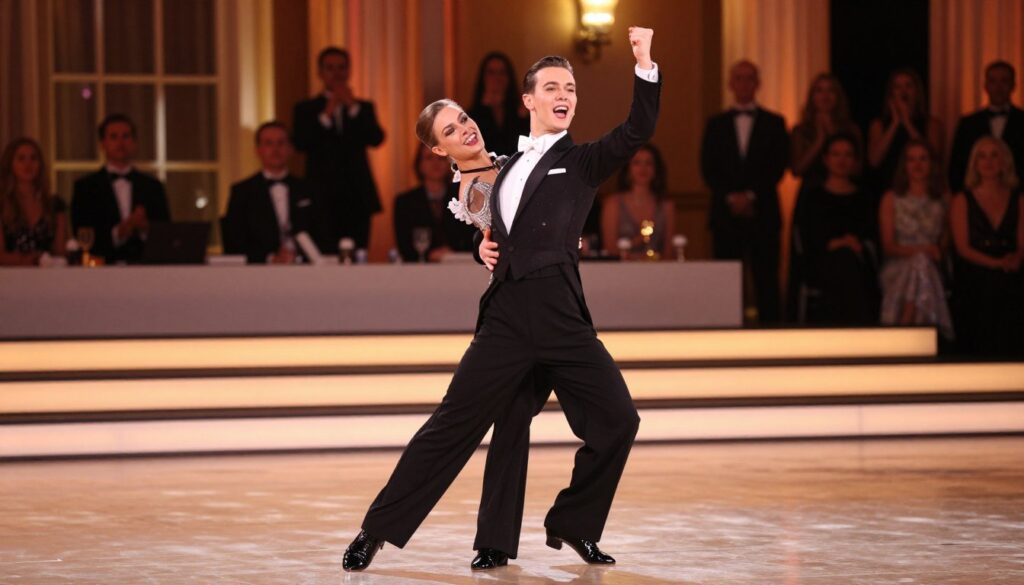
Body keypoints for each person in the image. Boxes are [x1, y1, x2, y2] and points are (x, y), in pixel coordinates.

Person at [342, 27, 659, 572]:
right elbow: (496, 229)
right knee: (456, 425)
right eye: (552, 87)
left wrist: (644, 63)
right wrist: (481, 246)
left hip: (562, 314)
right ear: (529, 100)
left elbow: (636, 130)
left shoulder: (582, 161)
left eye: (572, 88)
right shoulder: (503, 166)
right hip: (508, 317)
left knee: (619, 419)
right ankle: (380, 530)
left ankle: (573, 523)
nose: (564, 95)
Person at [700, 60, 789, 322]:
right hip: (725, 215)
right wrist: (731, 197)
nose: (744, 83)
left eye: (749, 78)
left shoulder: (775, 122)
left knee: (766, 280)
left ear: (757, 84)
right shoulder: (715, 124)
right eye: (738, 78)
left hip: (763, 212)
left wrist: (750, 196)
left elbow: (777, 166)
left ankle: (772, 340)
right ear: (731, 84)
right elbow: (708, 167)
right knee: (726, 279)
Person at [293, 47, 385, 251]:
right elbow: (300, 142)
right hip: (320, 195)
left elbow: (376, 138)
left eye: (342, 68)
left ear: (349, 71)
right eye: (330, 68)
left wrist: (352, 107)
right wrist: (326, 113)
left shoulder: (363, 108)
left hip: (357, 196)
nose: (336, 73)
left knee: (358, 253)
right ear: (320, 73)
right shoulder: (306, 109)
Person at [949, 136, 1024, 356]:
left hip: (1011, 266)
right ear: (974, 163)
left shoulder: (1019, 199)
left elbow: (1022, 243)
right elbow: (963, 248)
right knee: (987, 287)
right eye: (982, 156)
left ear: (1004, 162)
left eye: (994, 155)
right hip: (976, 268)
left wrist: (1015, 258)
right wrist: (995, 263)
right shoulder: (962, 199)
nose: (988, 161)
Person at [796, 133, 878, 325]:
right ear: (825, 159)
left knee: (848, 261)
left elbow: (871, 234)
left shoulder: (864, 197)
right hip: (821, 261)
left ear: (855, 161)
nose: (842, 160)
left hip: (858, 259)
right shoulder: (813, 197)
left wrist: (853, 244)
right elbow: (810, 237)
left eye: (848, 155)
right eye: (836, 154)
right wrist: (841, 243)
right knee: (842, 261)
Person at [878, 140, 953, 340]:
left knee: (923, 265)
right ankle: (922, 332)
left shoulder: (944, 198)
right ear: (904, 165)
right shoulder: (891, 198)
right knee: (920, 262)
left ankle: (905, 327)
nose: (917, 165)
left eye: (923, 159)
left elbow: (945, 241)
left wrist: (933, 252)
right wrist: (924, 250)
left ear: (932, 164)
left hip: (932, 267)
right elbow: (888, 246)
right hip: (897, 266)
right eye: (911, 160)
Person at [71, 114, 170, 264]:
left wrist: (145, 229)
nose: (120, 143)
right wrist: (119, 232)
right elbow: (82, 235)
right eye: (113, 137)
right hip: (101, 271)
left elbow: (167, 234)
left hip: (145, 270)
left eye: (126, 136)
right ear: (103, 144)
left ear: (135, 143)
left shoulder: (153, 187)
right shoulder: (85, 188)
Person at [222, 121, 322, 264]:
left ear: (290, 149)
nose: (275, 149)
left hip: (306, 270)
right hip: (258, 275)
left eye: (281, 143)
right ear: (258, 150)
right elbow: (234, 243)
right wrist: (270, 258)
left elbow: (323, 236)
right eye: (269, 143)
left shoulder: (310, 190)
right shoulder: (242, 192)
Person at [866, 69, 944, 200]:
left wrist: (907, 123)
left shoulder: (932, 123)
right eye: (898, 87)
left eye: (908, 85)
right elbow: (874, 160)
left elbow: (932, 157)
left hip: (923, 191)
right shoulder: (879, 124)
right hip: (887, 189)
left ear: (917, 91)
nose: (903, 91)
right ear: (891, 93)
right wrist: (895, 123)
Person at [392, 144, 477, 262]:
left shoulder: (464, 197)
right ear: (419, 164)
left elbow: (473, 239)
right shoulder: (405, 202)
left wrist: (451, 253)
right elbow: (404, 246)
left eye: (441, 159)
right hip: (418, 270)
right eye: (429, 158)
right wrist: (429, 255)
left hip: (460, 266)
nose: (435, 164)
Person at [949, 61, 1024, 194]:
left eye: (1004, 81)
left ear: (1013, 85)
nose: (998, 87)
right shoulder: (968, 123)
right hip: (976, 198)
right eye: (993, 81)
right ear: (985, 86)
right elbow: (957, 167)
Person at [601, 143, 675, 259]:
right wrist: (636, 242)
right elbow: (610, 249)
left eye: (648, 163)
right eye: (637, 163)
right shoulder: (613, 204)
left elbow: (669, 252)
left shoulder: (666, 206)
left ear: (656, 169)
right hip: (622, 271)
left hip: (659, 271)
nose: (643, 169)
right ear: (628, 168)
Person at [0, 138, 67, 265]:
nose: (28, 164)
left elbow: (60, 252)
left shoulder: (54, 205)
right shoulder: (2, 204)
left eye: (33, 158)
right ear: (10, 164)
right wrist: (27, 260)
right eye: (21, 159)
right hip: (8, 278)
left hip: (47, 277)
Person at [790, 73, 862, 190]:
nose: (825, 96)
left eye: (830, 90)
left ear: (837, 96)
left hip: (844, 191)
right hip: (812, 193)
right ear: (812, 97)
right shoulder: (800, 131)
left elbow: (858, 170)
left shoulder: (850, 129)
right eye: (819, 91)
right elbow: (797, 170)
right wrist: (819, 141)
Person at [467, 52, 531, 157]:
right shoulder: (472, 116)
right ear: (483, 77)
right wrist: (485, 109)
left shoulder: (521, 111)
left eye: (502, 72)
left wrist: (522, 118)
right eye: (491, 72)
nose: (497, 78)